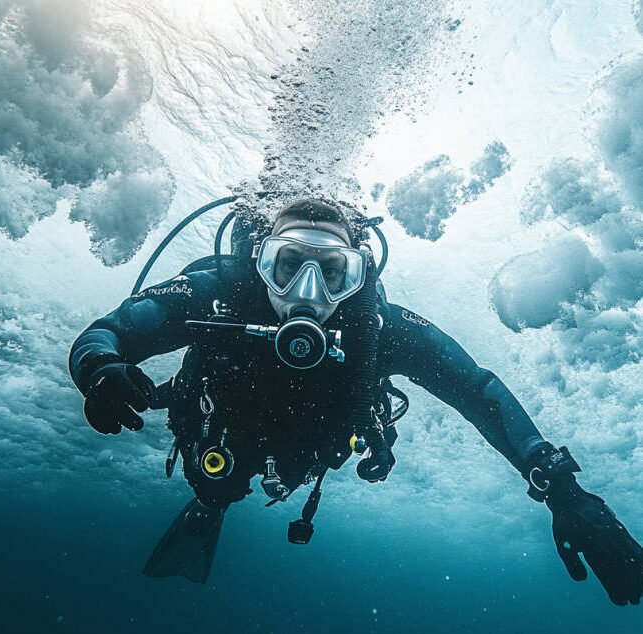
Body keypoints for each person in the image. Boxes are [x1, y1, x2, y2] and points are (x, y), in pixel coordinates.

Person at [69, 198, 643, 603]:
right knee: (215, 482)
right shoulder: (216, 292)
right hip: (217, 433)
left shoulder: (381, 327)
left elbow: (477, 389)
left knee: (274, 470)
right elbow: (110, 330)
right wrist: (101, 368)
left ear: (357, 275)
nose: (309, 294)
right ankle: (211, 503)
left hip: (312, 448)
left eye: (333, 272)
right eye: (288, 267)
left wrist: (559, 486)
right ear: (258, 264)